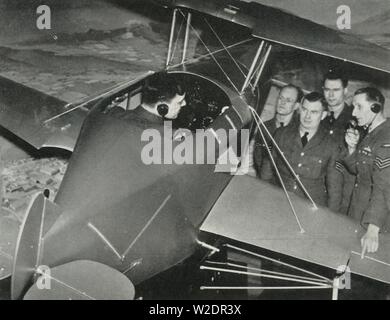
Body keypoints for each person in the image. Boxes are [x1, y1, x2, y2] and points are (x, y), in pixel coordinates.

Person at [262, 92, 343, 211]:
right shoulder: (281, 134)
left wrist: (329, 218)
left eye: (314, 112)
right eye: (305, 110)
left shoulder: (332, 145)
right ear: (300, 109)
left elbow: (334, 189)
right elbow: (267, 171)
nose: (307, 116)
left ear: (323, 115)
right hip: (278, 201)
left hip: (310, 207)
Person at [343, 87, 390, 256]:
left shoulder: (386, 138)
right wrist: (352, 148)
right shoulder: (371, 132)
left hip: (373, 221)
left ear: (375, 108)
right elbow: (360, 171)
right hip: (358, 211)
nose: (354, 113)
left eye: (359, 107)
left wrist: (372, 230)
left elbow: (384, 187)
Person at [321, 70, 355, 214]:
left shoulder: (355, 118)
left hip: (339, 193)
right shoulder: (315, 113)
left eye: (336, 90)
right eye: (327, 90)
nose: (331, 95)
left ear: (345, 91)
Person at [253, 84, 302, 178]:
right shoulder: (264, 127)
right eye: (281, 98)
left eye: (288, 100)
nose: (282, 103)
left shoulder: (299, 132)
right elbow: (258, 159)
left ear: (296, 106)